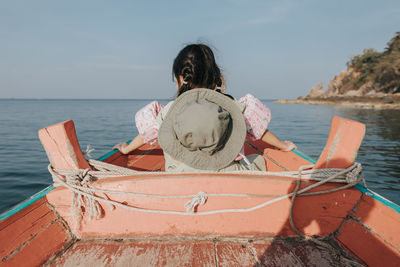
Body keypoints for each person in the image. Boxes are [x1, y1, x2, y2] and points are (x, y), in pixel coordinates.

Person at [113, 44, 296, 171]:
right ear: (215, 76)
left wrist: (127, 149)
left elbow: (149, 133)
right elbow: (258, 129)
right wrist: (283, 146)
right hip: (227, 172)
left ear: (179, 79)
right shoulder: (232, 106)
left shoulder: (169, 111)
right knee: (259, 160)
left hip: (180, 173)